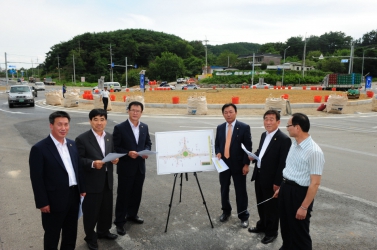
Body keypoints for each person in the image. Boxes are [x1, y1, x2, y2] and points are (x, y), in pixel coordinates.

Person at [29, 111, 86, 250]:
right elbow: (37, 179)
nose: (63, 128)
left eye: (66, 124)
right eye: (59, 124)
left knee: (70, 233)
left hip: (73, 196)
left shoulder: (72, 145)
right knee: (52, 235)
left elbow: (78, 169)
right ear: (51, 125)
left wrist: (82, 189)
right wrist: (42, 202)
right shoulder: (40, 148)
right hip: (53, 200)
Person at [273, 113, 325, 250]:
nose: (287, 128)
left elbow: (315, 183)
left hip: (299, 194)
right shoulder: (294, 144)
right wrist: (282, 188)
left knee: (299, 231)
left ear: (297, 127)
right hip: (286, 189)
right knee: (286, 225)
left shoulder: (314, 152)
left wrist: (304, 207)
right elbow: (290, 169)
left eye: (289, 125)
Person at [75, 109, 119, 250]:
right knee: (91, 213)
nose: (99, 123)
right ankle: (90, 237)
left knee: (106, 210)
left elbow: (112, 154)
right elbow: (78, 161)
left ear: (106, 121)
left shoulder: (110, 137)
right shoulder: (82, 139)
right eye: (95, 119)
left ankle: (103, 231)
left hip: (107, 181)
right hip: (92, 183)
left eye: (102, 119)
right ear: (90, 121)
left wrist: (115, 160)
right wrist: (93, 164)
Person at [248, 110, 292, 244]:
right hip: (260, 175)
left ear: (278, 122)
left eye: (271, 119)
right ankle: (262, 225)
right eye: (266, 119)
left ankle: (272, 232)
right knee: (261, 203)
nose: (268, 122)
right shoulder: (264, 135)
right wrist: (253, 156)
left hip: (272, 179)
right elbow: (261, 152)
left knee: (272, 208)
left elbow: (283, 163)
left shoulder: (284, 139)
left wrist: (278, 182)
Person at [113, 101, 152, 236]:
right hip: (126, 167)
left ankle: (132, 215)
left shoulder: (144, 127)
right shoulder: (120, 128)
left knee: (136, 193)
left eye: (138, 111)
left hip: (140, 167)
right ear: (128, 111)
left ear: (141, 113)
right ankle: (119, 221)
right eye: (133, 110)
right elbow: (116, 147)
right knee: (123, 195)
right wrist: (128, 153)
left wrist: (146, 151)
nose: (135, 113)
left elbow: (148, 143)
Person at [215, 103, 252, 228]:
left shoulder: (244, 127)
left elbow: (248, 148)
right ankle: (226, 211)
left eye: (230, 112)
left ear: (235, 112)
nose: (228, 114)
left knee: (240, 191)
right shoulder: (220, 127)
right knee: (224, 189)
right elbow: (217, 144)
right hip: (224, 164)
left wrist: (246, 164)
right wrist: (218, 152)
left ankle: (243, 216)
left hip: (238, 165)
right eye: (226, 112)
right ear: (223, 114)